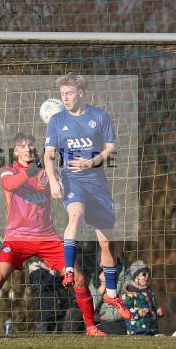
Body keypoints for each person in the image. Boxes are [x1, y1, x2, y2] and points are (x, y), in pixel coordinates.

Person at [0, 132, 108, 336]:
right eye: (23, 146)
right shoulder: (9, 171)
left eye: (31, 145)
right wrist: (35, 169)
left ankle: (91, 327)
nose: (28, 149)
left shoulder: (48, 173)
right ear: (16, 151)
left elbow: (64, 190)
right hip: (17, 239)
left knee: (79, 278)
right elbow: (9, 185)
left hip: (47, 238)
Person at [42, 74, 129, 320]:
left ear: (80, 93)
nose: (65, 98)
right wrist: (53, 182)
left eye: (69, 93)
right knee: (76, 215)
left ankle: (112, 293)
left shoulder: (99, 117)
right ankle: (68, 269)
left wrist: (93, 161)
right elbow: (48, 155)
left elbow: (111, 148)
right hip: (72, 181)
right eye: (62, 94)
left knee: (106, 243)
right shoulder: (57, 121)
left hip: (98, 184)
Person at [120, 260, 165, 335]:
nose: (147, 277)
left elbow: (154, 303)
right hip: (136, 328)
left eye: (148, 275)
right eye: (144, 274)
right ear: (135, 276)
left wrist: (158, 310)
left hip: (152, 327)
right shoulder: (129, 291)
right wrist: (137, 311)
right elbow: (126, 305)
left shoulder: (149, 291)